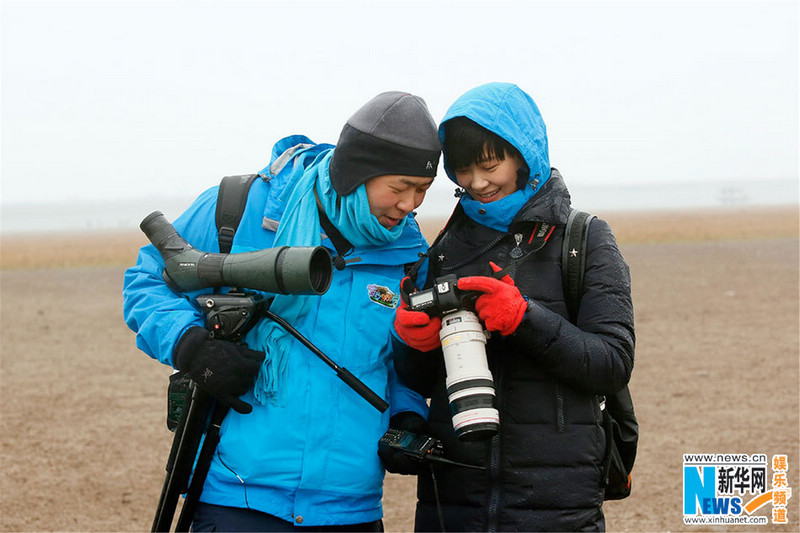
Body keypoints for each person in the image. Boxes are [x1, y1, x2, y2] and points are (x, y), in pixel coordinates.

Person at [123, 91, 442, 531]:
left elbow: (398, 360)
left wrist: (407, 414)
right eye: (399, 188)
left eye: (422, 190)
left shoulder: (409, 255)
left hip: (350, 506)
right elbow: (148, 279)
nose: (410, 205)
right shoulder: (243, 208)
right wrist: (190, 345)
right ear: (356, 174)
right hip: (234, 495)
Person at [389, 82, 635, 531]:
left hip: (558, 505)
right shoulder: (441, 251)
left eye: (489, 165)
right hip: (453, 502)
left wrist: (526, 319)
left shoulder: (584, 240)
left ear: (526, 154)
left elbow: (612, 364)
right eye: (463, 169)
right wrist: (411, 343)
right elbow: (417, 380)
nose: (476, 183)